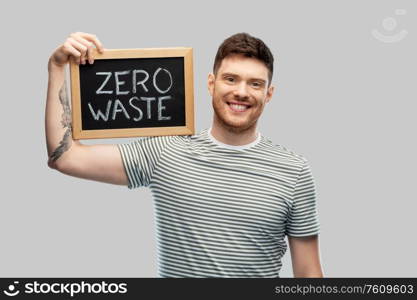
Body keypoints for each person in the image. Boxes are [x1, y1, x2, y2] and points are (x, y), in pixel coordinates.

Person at [46, 32, 324, 278]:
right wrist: (57, 67)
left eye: (255, 84)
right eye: (231, 79)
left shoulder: (294, 170)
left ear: (269, 93)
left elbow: (309, 273)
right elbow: (66, 157)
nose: (241, 92)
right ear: (211, 84)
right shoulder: (165, 152)